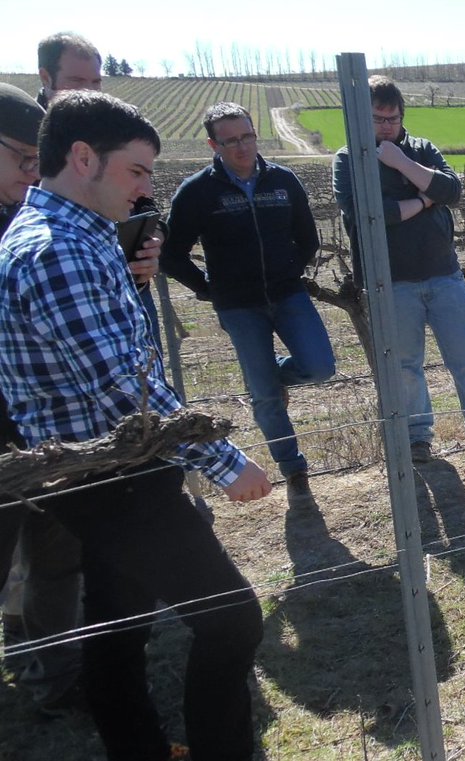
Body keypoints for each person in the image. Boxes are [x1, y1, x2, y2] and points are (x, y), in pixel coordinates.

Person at [0, 89, 270, 761]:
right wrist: (226, 464)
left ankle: (138, 748)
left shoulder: (73, 234)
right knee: (232, 619)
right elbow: (123, 385)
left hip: (104, 468)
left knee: (118, 623)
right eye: (138, 171)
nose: (148, 188)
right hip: (113, 474)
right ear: (83, 156)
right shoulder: (56, 251)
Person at [333, 76, 465, 467]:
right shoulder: (349, 160)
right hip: (391, 282)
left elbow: (452, 190)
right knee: (406, 368)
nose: (386, 126)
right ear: (361, 119)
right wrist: (423, 198)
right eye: (377, 119)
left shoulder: (421, 149)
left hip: (443, 274)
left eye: (392, 118)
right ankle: (419, 441)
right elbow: (373, 215)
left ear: (402, 116)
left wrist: (401, 163)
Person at [162, 102, 335, 512]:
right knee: (264, 398)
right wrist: (207, 289)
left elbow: (307, 237)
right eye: (231, 140)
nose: (242, 147)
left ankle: (273, 372)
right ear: (213, 144)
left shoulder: (283, 181)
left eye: (247, 137)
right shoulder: (197, 192)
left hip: (288, 294)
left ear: (256, 135)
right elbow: (172, 254)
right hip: (238, 306)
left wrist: (290, 271)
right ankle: (294, 470)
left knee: (321, 366)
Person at [0, 82, 85, 715]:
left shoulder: (36, 217)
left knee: (56, 557)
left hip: (41, 426)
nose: (33, 175)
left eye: (39, 161)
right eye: (22, 159)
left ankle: (55, 679)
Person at [36, 33, 163, 349]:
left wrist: (151, 242)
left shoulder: (111, 132)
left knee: (145, 369)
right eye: (77, 81)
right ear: (45, 77)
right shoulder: (25, 135)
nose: (89, 92)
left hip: (125, 283)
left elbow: (144, 203)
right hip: (58, 285)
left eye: (95, 82)